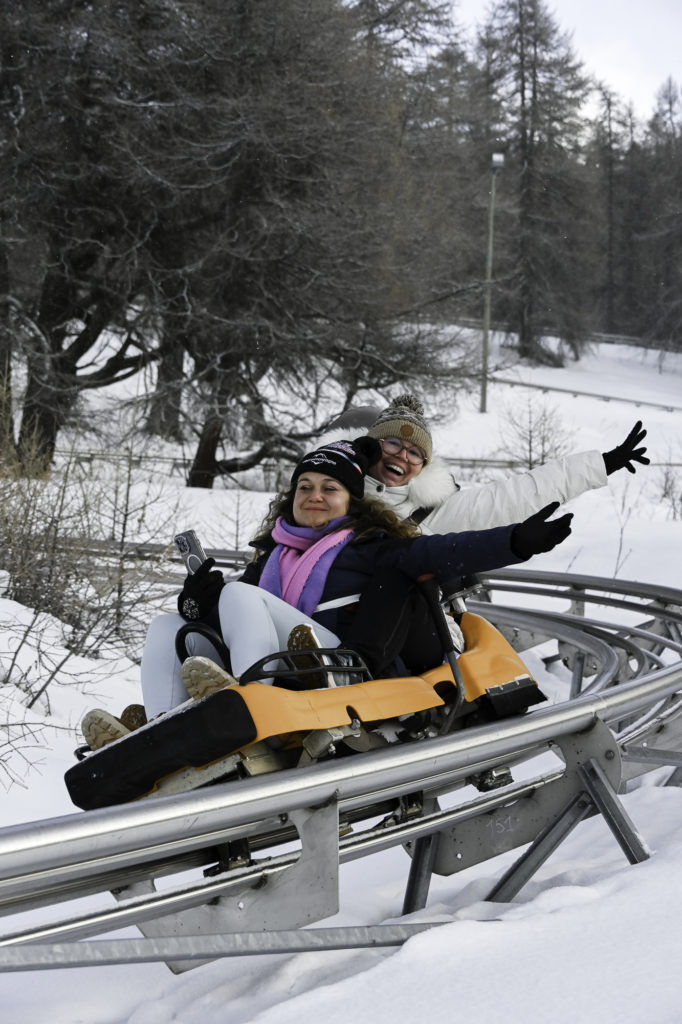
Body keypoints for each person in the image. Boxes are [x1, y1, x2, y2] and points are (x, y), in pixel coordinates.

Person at [81, 437, 574, 749]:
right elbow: (222, 623)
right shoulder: (271, 559)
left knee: (238, 598)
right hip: (286, 663)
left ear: (351, 501)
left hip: (341, 668)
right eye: (305, 487)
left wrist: (515, 541)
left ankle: (254, 709)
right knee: (173, 624)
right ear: (291, 499)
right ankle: (160, 731)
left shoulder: (376, 547)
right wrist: (198, 600)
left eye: (329, 489)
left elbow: (447, 550)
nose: (314, 496)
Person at [326, 393, 650, 532]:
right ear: (371, 445)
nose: (401, 455)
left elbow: (514, 497)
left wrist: (602, 463)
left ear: (424, 466)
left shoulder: (434, 510)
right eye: (393, 443)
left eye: (414, 452)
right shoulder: (327, 488)